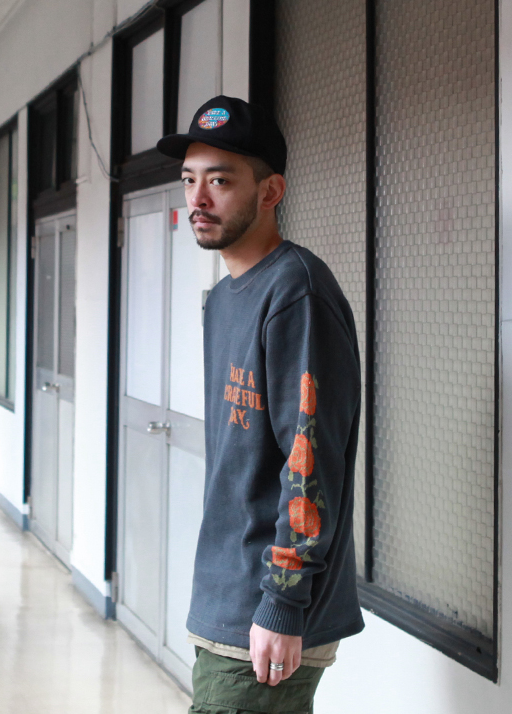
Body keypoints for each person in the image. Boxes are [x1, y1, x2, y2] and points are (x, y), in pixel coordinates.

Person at [157, 96, 364, 714]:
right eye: (190, 180)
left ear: (270, 191)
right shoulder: (225, 298)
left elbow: (310, 457)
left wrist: (282, 601)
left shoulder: (296, 291)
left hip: (266, 609)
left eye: (220, 181)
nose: (198, 198)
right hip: (225, 597)